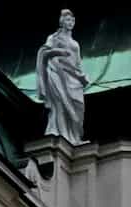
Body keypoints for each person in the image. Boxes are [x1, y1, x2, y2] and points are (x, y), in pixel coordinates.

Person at [36, 10, 87, 144]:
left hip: (74, 78)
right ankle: (63, 136)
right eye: (67, 20)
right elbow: (44, 53)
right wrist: (57, 51)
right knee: (60, 105)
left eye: (72, 20)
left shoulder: (76, 44)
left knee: (78, 106)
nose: (70, 23)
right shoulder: (54, 38)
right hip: (58, 74)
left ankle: (75, 137)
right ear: (62, 22)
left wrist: (82, 76)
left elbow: (77, 63)